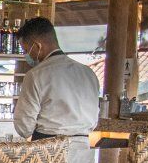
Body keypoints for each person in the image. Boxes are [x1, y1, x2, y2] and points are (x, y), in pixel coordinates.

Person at [12, 16, 100, 145]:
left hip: (49, 148)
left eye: (26, 50)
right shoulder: (88, 73)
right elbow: (94, 119)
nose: (27, 55)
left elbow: (24, 127)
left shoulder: (36, 75)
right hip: (83, 145)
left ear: (37, 46)